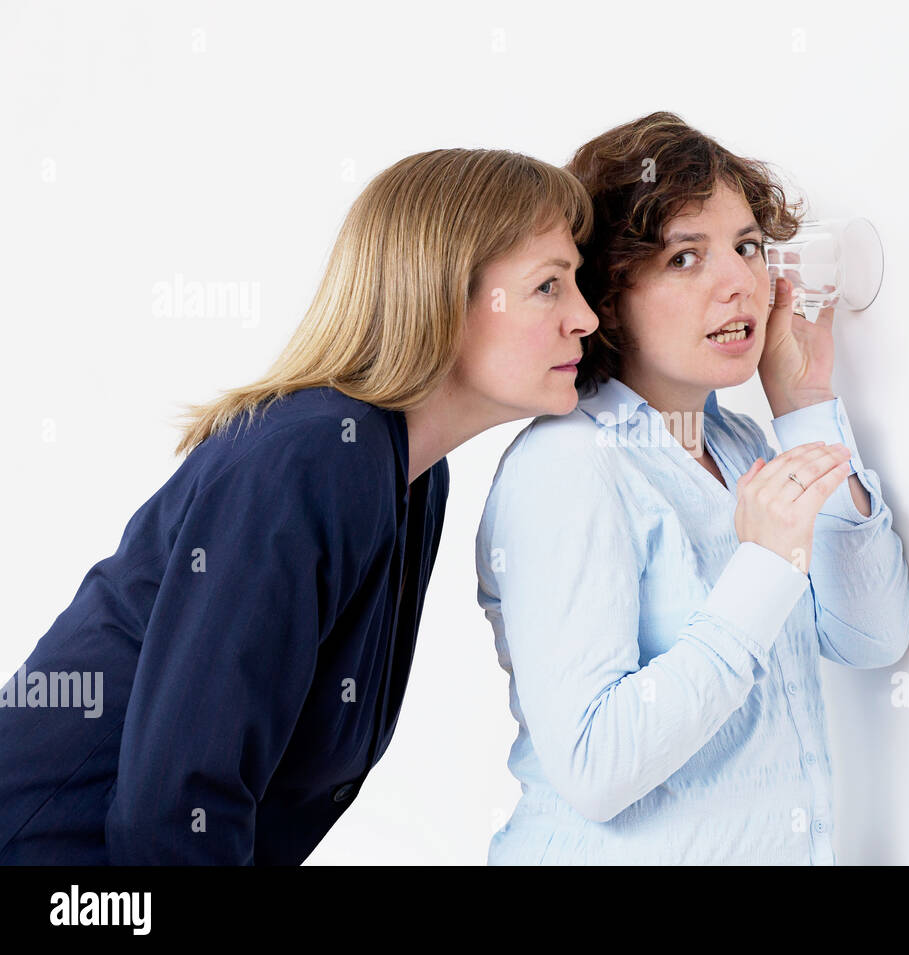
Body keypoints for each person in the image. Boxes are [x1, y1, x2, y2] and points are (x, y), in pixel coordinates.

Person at [0, 148, 598, 864]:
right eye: (548, 287)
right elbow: (175, 809)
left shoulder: (410, 477)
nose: (585, 318)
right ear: (441, 293)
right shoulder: (316, 456)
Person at [475, 112, 909, 864]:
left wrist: (804, 404)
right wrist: (765, 569)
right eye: (685, 258)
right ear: (607, 296)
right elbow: (594, 766)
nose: (738, 282)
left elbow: (872, 635)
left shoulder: (742, 445)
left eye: (747, 247)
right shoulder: (570, 466)